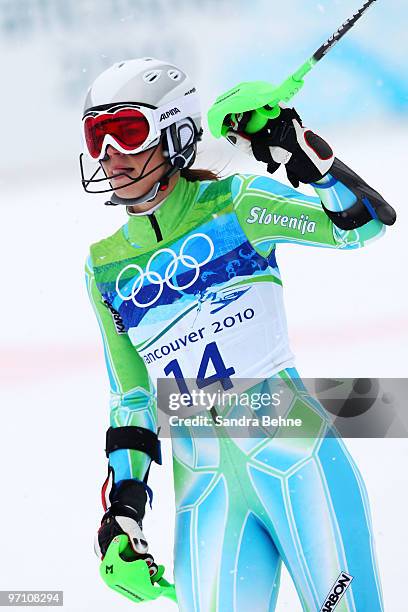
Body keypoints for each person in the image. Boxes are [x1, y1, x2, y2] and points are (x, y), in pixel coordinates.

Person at [82, 57, 395, 611]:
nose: (109, 155)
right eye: (96, 135)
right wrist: (123, 510)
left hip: (299, 463)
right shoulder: (104, 268)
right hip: (204, 495)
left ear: (174, 131)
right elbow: (131, 398)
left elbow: (363, 224)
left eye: (126, 131)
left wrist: (303, 154)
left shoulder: (238, 204)